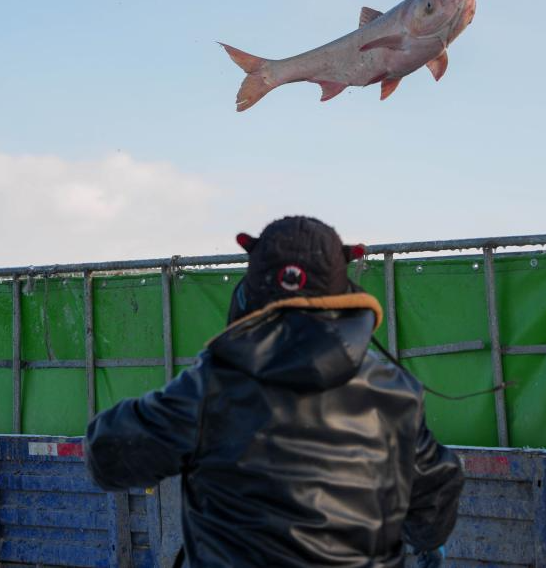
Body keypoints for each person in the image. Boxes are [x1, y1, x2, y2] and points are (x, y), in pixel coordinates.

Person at [85, 216, 464, 567]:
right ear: (345, 293)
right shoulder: (395, 391)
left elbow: (108, 456)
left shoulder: (211, 385)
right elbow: (436, 490)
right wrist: (428, 542)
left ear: (247, 297)